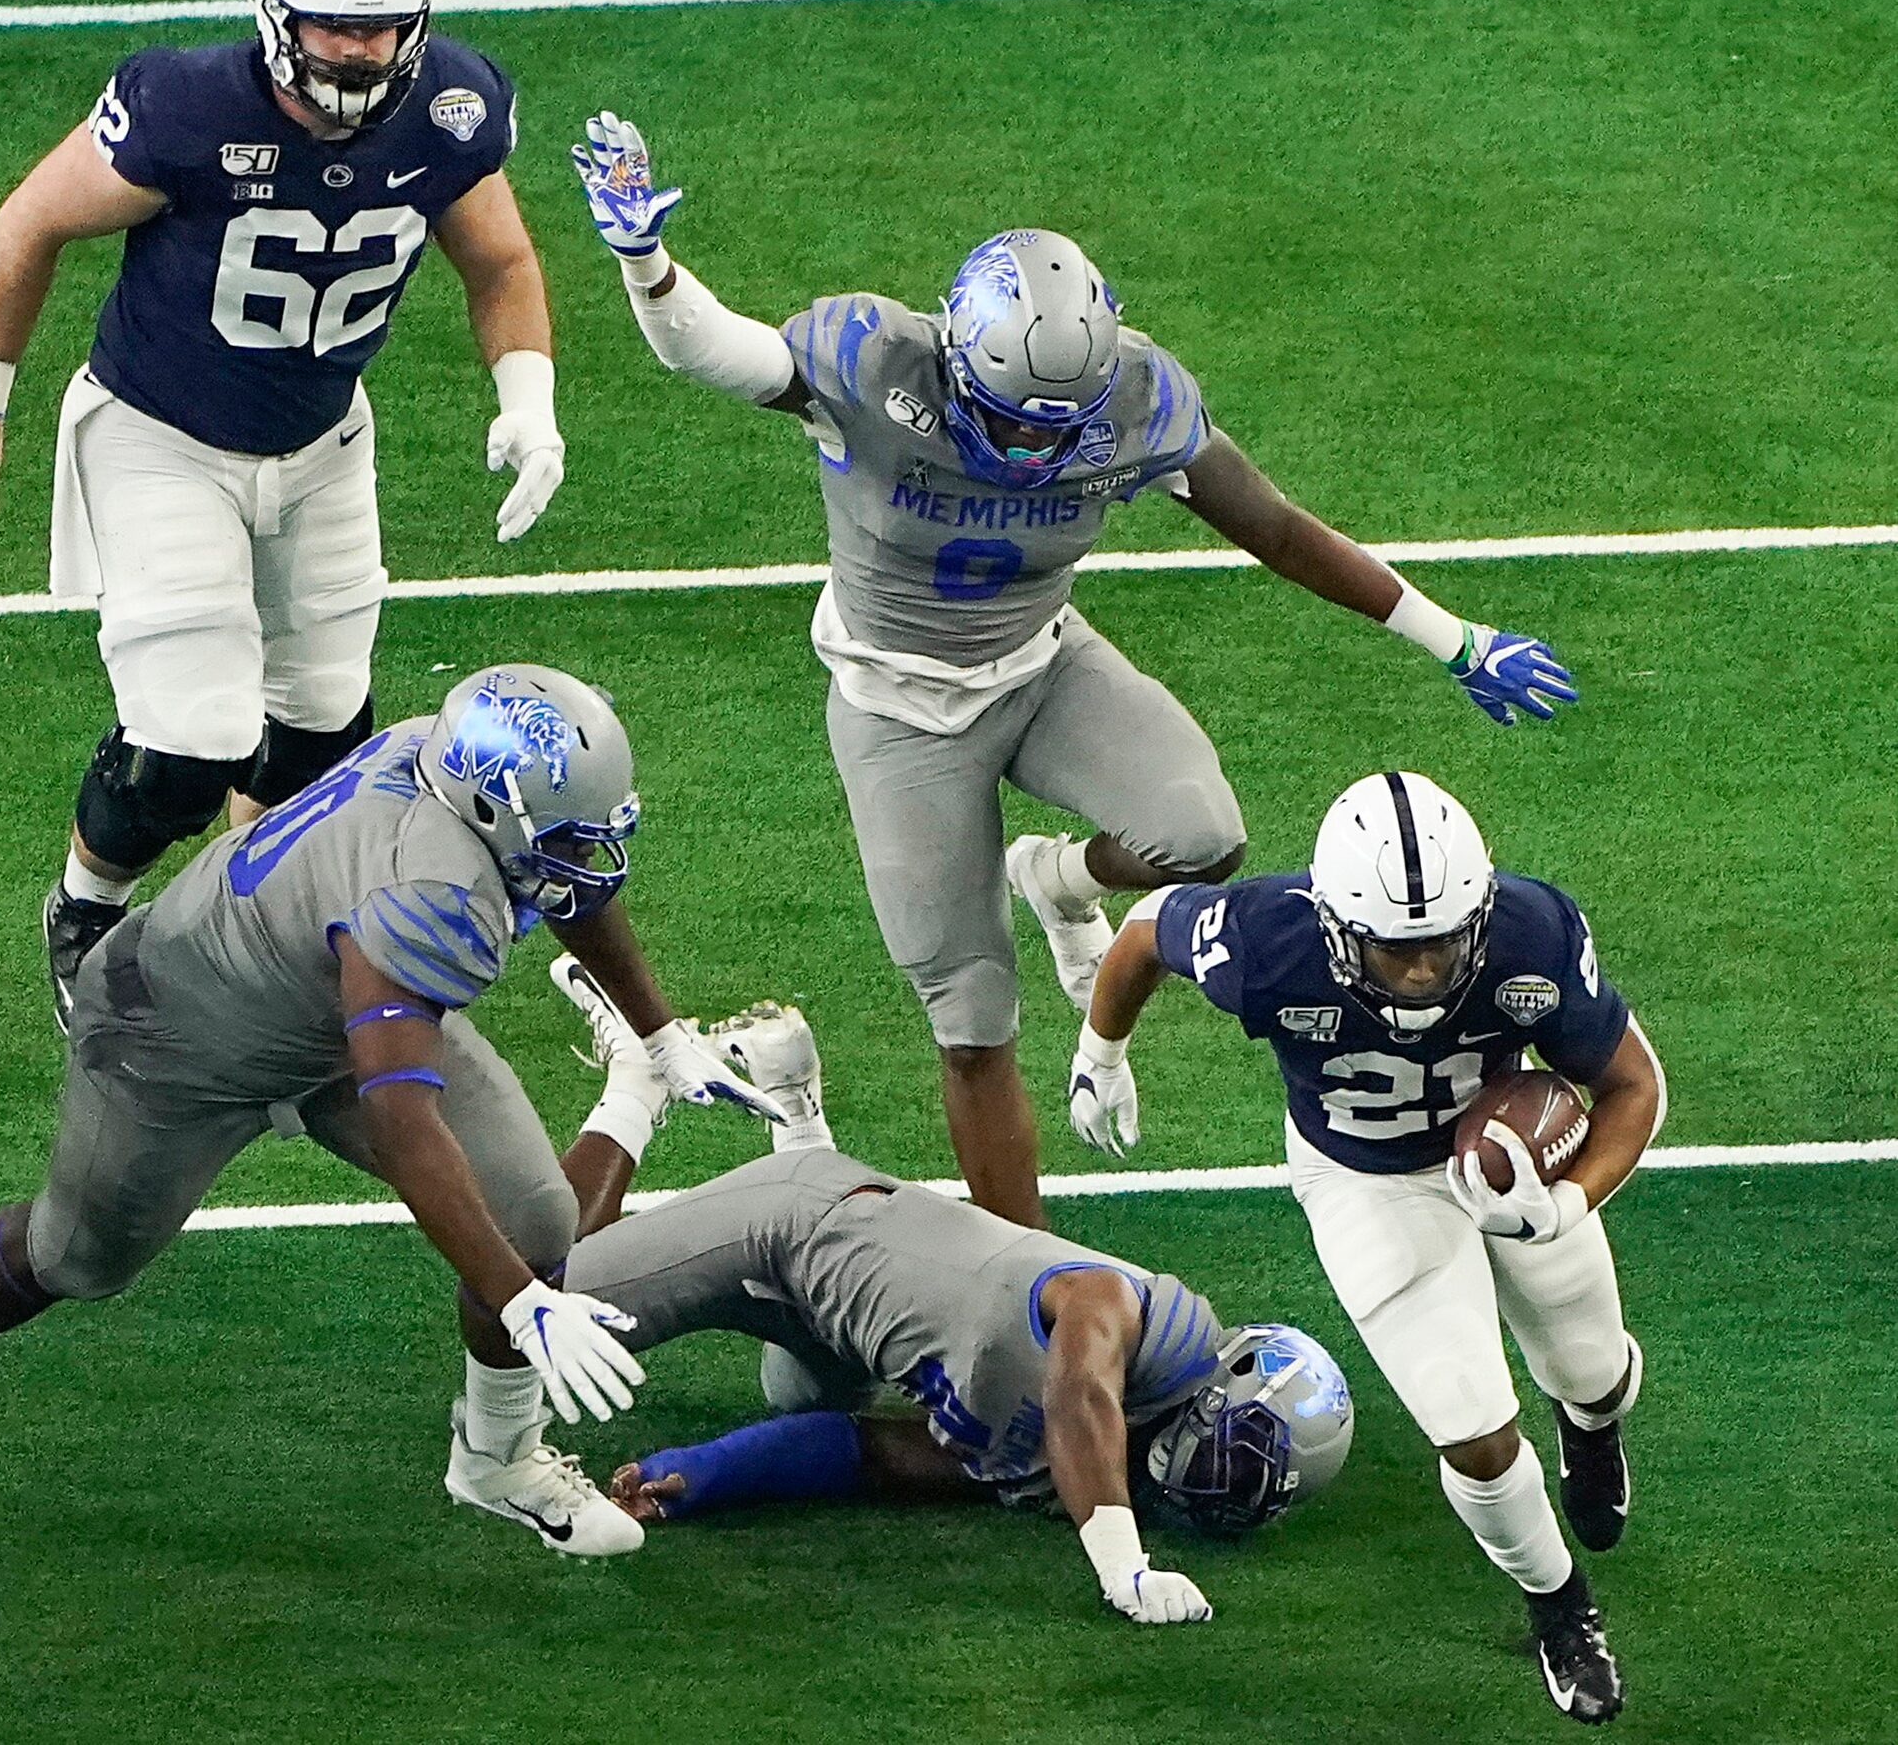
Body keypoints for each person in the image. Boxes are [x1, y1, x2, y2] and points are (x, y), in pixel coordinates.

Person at [569, 111, 1577, 1229]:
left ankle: (1062, 882)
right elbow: (713, 349)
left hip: (1043, 665)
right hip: (897, 707)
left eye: (1063, 429)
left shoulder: (1135, 396)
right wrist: (644, 264)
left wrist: (1452, 637)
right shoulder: (871, 363)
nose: (1038, 452)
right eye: (1014, 425)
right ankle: (1024, 1269)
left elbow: (1276, 529)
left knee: (1201, 835)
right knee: (972, 1019)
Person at [0, 664, 784, 1559]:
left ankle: (496, 1460)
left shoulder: (449, 762)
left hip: (323, 993)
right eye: (571, 835)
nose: (589, 857)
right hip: (176, 1031)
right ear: (495, 810)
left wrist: (657, 1035)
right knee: (78, 1258)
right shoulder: (428, 889)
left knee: (531, 1212)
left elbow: (569, 885)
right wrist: (520, 1303)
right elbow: (400, 1115)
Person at [0, 0, 568, 1027]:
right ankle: (85, 910)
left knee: (325, 739)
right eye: (337, 24)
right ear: (275, 15)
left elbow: (502, 262)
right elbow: (29, 221)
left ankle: (255, 932)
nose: (363, 50)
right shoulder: (181, 105)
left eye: (381, 26)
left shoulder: (451, 106)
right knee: (191, 740)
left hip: (323, 441)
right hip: (159, 435)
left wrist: (529, 402)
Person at [1071, 771, 1661, 1722]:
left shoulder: (1533, 932)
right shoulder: (1267, 939)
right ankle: (1559, 1606)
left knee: (1588, 1365)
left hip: (1508, 1162)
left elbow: (1633, 1087)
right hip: (1364, 1178)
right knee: (1469, 1428)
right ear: (1338, 927)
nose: (1424, 969)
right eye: (1397, 949)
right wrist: (1099, 1052)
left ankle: (1591, 1428)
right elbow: (1145, 934)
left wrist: (1562, 1205)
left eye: (1441, 943)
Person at [548, 965, 1350, 1624]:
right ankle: (639, 1078)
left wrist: (702, 1473)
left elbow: (873, 1457)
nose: (1226, 1483)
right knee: (529, 1307)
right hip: (789, 1220)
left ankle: (796, 1114)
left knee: (791, 1401)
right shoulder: (1151, 1326)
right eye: (1242, 1454)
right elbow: (1076, 1390)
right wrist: (1122, 1567)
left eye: (1254, 1482)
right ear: (1222, 1387)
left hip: (834, 1317)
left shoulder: (1075, 1473)